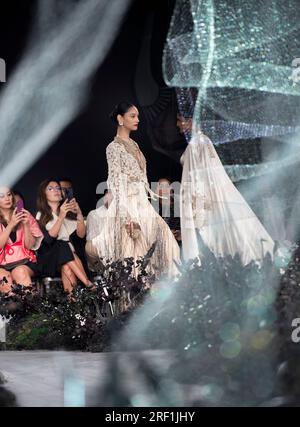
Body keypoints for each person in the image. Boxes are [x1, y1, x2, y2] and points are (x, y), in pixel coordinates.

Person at [92, 101, 180, 277]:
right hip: (129, 207)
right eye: (133, 116)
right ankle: (136, 301)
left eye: (138, 116)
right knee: (134, 258)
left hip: (143, 204)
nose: (138, 119)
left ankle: (168, 295)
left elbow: (142, 180)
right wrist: (126, 217)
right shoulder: (114, 147)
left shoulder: (135, 145)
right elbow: (115, 182)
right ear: (120, 119)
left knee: (169, 248)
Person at [178, 117, 274, 264]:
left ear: (191, 120)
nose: (178, 124)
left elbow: (200, 174)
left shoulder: (197, 142)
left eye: (180, 119)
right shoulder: (202, 140)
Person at [36, 179, 93, 294]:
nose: (56, 191)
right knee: (62, 245)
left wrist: (79, 214)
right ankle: (88, 284)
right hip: (50, 259)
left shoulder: (69, 211)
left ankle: (73, 304)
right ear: (44, 194)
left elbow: (81, 234)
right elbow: (49, 239)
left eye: (58, 188)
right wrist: (61, 216)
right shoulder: (41, 215)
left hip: (68, 258)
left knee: (66, 267)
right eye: (50, 188)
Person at [0, 186, 43, 294]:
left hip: (24, 261)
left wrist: (26, 225)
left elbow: (29, 246)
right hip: (1, 264)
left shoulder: (24, 214)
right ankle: (12, 309)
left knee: (20, 272)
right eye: (2, 196)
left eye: (9, 195)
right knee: (3, 278)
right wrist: (11, 225)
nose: (7, 198)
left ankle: (30, 308)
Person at [156, 177, 181, 246]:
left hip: (177, 242)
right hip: (161, 243)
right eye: (161, 186)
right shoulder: (153, 209)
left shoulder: (179, 204)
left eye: (167, 186)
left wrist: (179, 233)